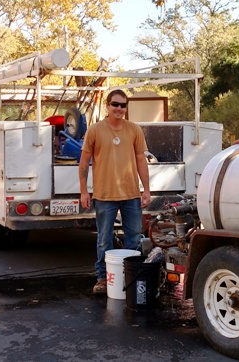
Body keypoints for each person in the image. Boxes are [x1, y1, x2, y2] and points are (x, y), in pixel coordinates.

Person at [79, 89, 151, 295]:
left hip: (131, 196)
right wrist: (84, 192)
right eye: (115, 104)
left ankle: (132, 278)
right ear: (107, 106)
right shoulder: (95, 130)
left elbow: (140, 160)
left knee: (134, 239)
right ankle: (103, 278)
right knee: (104, 239)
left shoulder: (134, 130)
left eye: (123, 105)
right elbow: (84, 162)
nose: (119, 108)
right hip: (104, 196)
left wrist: (146, 190)